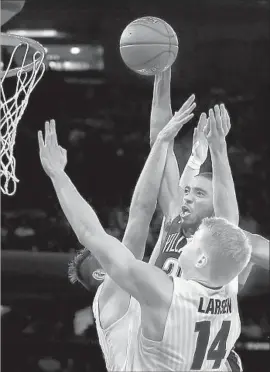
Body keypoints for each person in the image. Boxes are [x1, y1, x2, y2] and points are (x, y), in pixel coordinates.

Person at [38, 104, 250, 371]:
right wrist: (216, 151)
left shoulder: (163, 291)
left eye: (196, 242)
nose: (190, 240)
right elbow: (225, 222)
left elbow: (100, 231)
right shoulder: (223, 290)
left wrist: (58, 175)